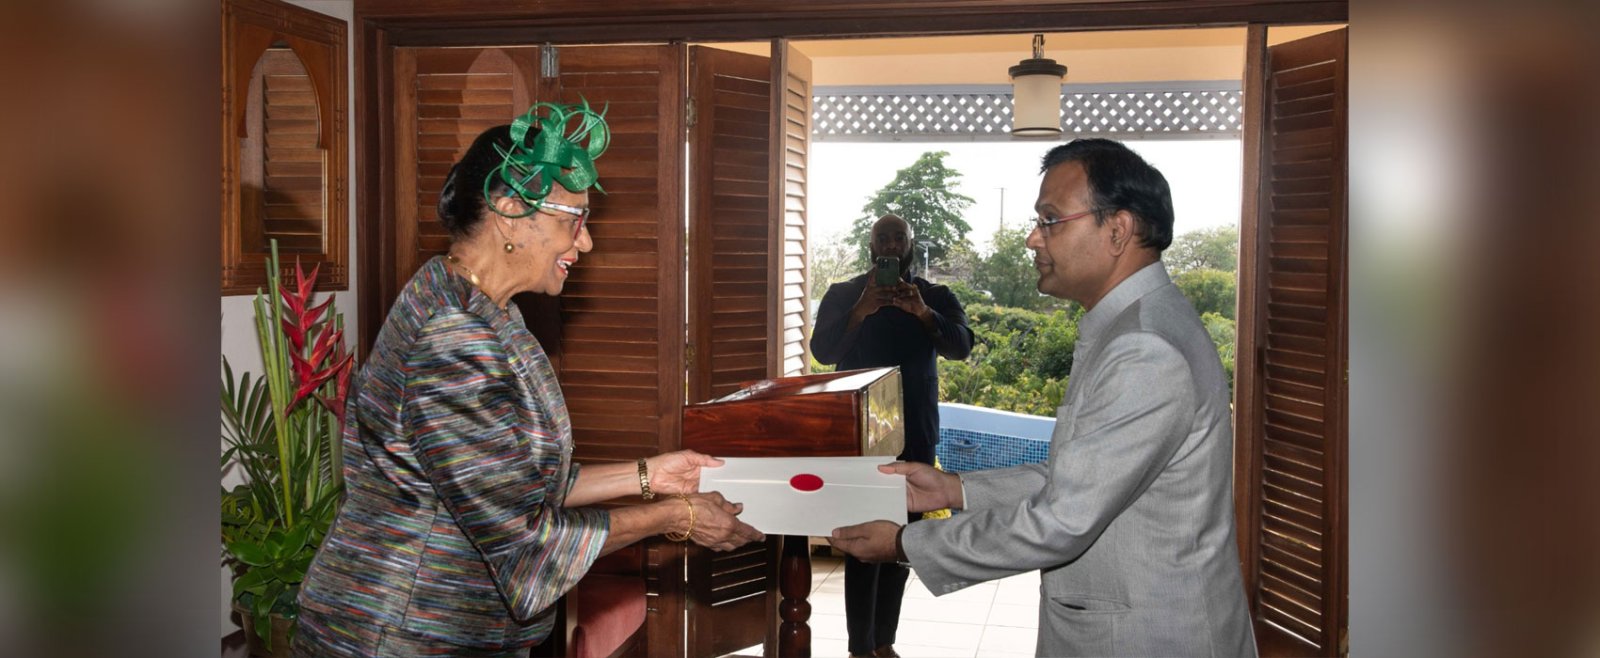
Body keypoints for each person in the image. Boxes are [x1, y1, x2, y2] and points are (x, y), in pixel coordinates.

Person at [295, 103, 764, 657]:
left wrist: (650, 475)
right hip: (404, 630)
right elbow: (523, 537)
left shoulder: (479, 305)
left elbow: (512, 482)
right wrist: (675, 517)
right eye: (575, 220)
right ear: (510, 211)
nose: (585, 243)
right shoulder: (452, 335)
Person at [829, 139, 1257, 657]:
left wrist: (904, 543)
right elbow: (1078, 475)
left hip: (1145, 636)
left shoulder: (1145, 348)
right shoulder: (1130, 326)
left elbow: (1064, 519)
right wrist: (954, 490)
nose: (1033, 238)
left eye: (1050, 220)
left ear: (1117, 230)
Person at [810, 213, 973, 658]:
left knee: (904, 541)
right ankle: (859, 649)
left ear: (909, 245)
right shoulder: (845, 295)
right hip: (859, 434)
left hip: (916, 433)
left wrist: (922, 313)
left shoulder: (933, 296)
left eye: (898, 236)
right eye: (882, 236)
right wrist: (860, 311)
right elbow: (822, 352)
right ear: (871, 244)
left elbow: (960, 346)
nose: (889, 243)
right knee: (864, 542)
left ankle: (885, 643)